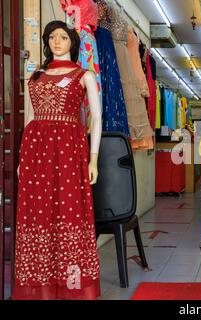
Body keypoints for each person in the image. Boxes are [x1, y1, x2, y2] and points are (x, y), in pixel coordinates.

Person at [13, 20, 102, 300]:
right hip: (36, 155)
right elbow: (29, 119)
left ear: (72, 42)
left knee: (69, 212)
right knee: (37, 215)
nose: (57, 41)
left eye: (63, 36)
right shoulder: (36, 76)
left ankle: (71, 285)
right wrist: (20, 159)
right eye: (52, 37)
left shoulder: (83, 75)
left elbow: (97, 118)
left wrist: (93, 160)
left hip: (68, 153)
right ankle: (40, 286)